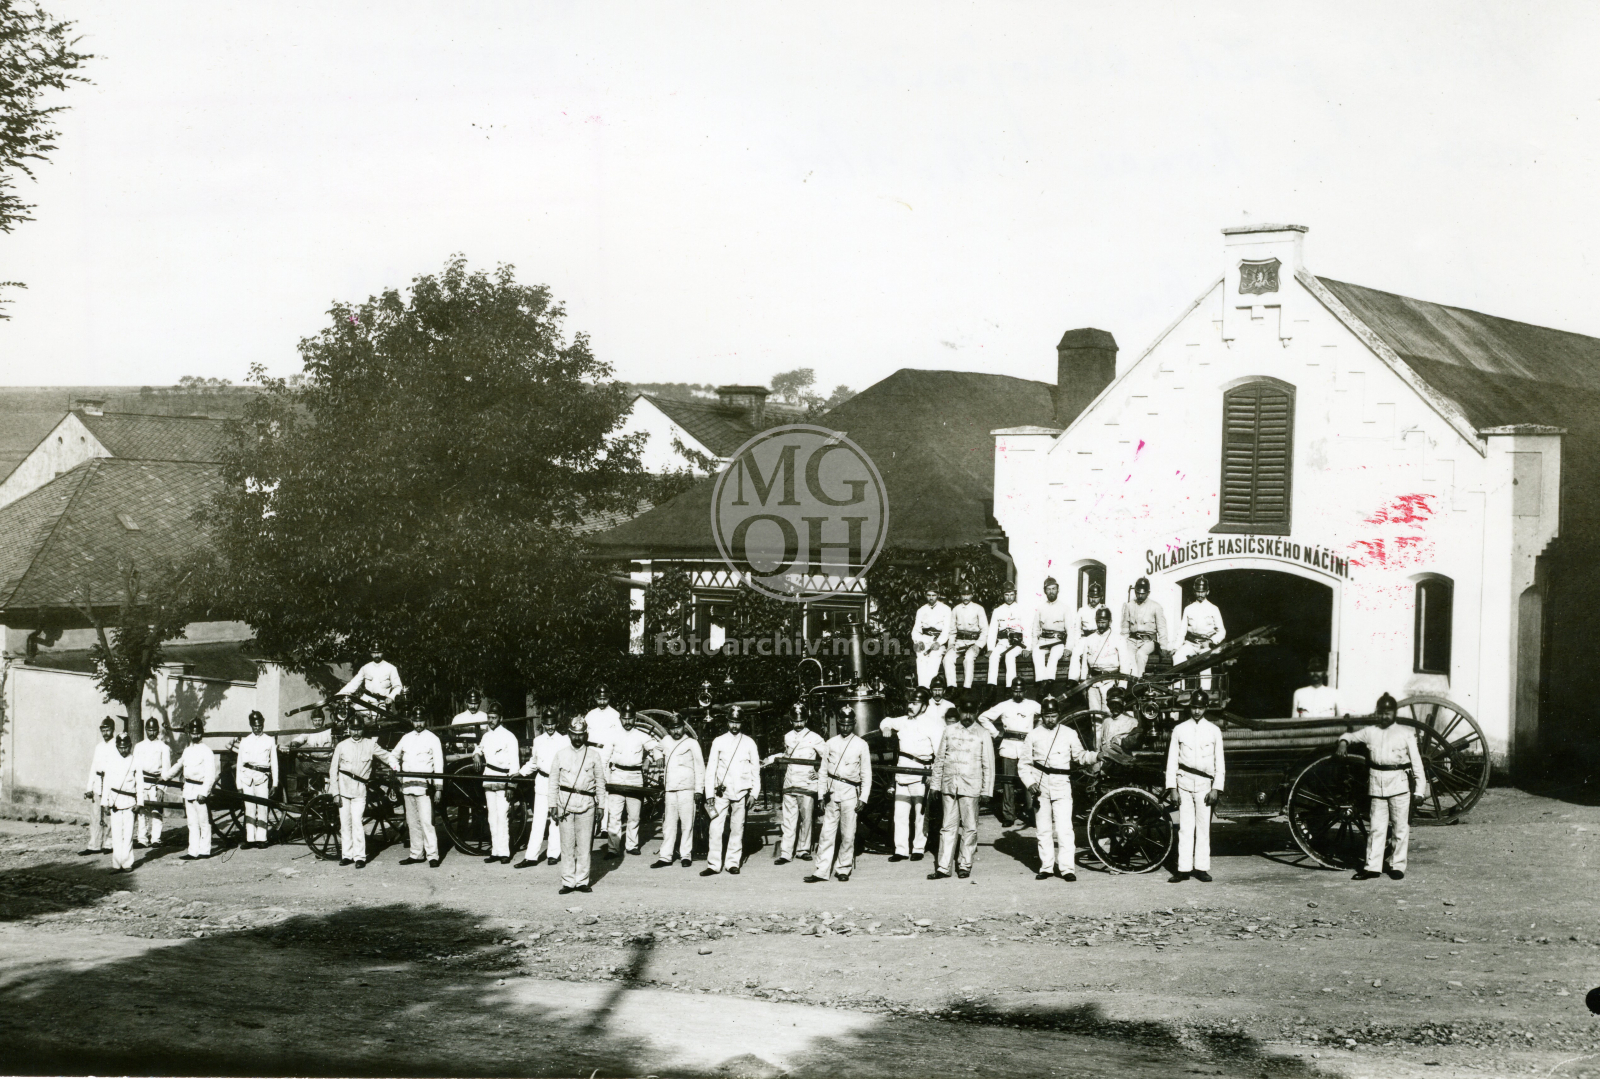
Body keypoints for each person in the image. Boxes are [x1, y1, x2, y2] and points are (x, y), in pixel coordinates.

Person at [1338, 694, 1429, 881]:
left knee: (1400, 828)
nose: (1384, 717)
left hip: (1399, 785)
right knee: (1376, 828)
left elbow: (1417, 763)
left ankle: (1397, 866)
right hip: (1377, 785)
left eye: (1387, 713)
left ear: (1394, 713)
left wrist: (1420, 790)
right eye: (1381, 713)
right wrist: (1343, 742)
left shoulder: (1405, 733)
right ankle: (1372, 867)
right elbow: (1350, 735)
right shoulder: (1370, 731)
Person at [1019, 703, 1096, 881]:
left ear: (1059, 715)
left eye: (1053, 715)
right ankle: (1046, 867)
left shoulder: (1069, 733)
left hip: (1061, 783)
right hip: (1040, 784)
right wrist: (1030, 783)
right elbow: (1023, 764)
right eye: (1047, 715)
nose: (1050, 719)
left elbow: (1080, 756)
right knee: (1043, 829)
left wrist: (1095, 756)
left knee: (1065, 829)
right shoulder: (1033, 735)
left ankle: (1067, 868)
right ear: (1042, 716)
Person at [1164, 690, 1224, 883]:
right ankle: (1183, 869)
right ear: (1190, 707)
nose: (1197, 711)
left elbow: (1220, 762)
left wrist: (1216, 787)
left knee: (1203, 827)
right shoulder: (1180, 729)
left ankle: (1202, 868)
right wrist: (1172, 787)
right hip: (1184, 783)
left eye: (1200, 707)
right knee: (1185, 828)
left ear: (1206, 708)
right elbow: (1172, 760)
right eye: (1194, 707)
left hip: (1205, 785)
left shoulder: (1214, 731)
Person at [928, 709, 994, 880]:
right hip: (950, 786)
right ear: (960, 710)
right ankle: (943, 867)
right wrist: (935, 785)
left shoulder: (983, 734)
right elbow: (940, 759)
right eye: (965, 711)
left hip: (971, 786)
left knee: (970, 827)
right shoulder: (949, 731)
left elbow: (988, 765)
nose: (967, 715)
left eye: (971, 712)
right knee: (947, 827)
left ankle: (965, 865)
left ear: (976, 711)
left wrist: (986, 790)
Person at [806, 712, 871, 883]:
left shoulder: (861, 744)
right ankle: (821, 871)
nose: (845, 727)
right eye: (842, 724)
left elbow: (866, 774)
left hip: (851, 792)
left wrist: (863, 798)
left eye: (848, 724)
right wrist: (821, 795)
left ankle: (843, 868)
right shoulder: (830, 743)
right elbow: (823, 771)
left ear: (854, 724)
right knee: (827, 833)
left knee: (848, 834)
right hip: (832, 793)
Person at [878, 689, 943, 862]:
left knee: (920, 815)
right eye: (909, 703)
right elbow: (886, 720)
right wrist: (885, 727)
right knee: (900, 814)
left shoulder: (933, 726)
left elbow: (939, 754)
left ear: (924, 706)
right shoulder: (903, 721)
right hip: (902, 773)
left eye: (914, 703)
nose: (910, 706)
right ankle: (901, 850)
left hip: (921, 773)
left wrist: (933, 775)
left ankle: (918, 848)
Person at [327, 712, 398, 868]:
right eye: (353, 729)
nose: (356, 733)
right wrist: (335, 793)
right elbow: (333, 770)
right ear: (348, 729)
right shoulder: (342, 745)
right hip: (343, 790)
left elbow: (387, 756)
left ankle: (360, 857)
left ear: (363, 729)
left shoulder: (370, 744)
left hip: (360, 791)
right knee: (345, 823)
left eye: (359, 729)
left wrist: (395, 766)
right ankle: (347, 855)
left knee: (357, 823)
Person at [549, 716, 607, 894]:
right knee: (566, 846)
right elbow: (553, 782)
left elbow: (600, 782)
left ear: (585, 735)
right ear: (569, 734)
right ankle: (568, 882)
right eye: (574, 734)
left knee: (584, 846)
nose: (577, 738)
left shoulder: (594, 755)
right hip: (565, 805)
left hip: (587, 805)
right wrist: (552, 805)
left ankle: (582, 881)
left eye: (581, 735)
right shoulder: (560, 755)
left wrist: (601, 806)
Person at [763, 703, 825, 865]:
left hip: (807, 784)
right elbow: (786, 755)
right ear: (791, 721)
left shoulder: (815, 737)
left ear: (806, 720)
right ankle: (786, 852)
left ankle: (803, 850)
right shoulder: (788, 736)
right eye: (795, 721)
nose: (798, 724)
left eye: (801, 721)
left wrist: (818, 773)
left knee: (807, 819)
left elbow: (827, 757)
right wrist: (769, 759)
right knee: (789, 820)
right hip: (790, 783)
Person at [702, 708, 760, 875]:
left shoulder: (749, 742)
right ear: (727, 722)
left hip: (741, 792)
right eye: (732, 722)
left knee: (737, 828)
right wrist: (709, 795)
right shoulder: (718, 741)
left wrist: (754, 794)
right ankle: (713, 864)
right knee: (715, 828)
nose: (735, 726)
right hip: (721, 792)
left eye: (738, 722)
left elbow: (755, 770)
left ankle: (732, 863)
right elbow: (711, 769)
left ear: (742, 723)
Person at [980, 679, 1042, 828]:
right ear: (1011, 691)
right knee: (1008, 782)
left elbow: (1045, 714)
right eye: (1015, 691)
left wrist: (1037, 730)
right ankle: (1009, 815)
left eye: (1020, 691)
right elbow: (983, 717)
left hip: (1027, 747)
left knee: (1029, 781)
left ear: (1025, 691)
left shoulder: (1033, 705)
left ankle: (1032, 815)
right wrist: (996, 733)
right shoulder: (1004, 705)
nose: (1018, 693)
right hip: (1008, 747)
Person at [606, 705, 662, 858]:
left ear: (635, 719)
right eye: (624, 718)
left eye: (630, 718)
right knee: (615, 815)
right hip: (617, 775)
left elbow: (656, 747)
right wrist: (604, 778)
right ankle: (613, 849)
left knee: (634, 815)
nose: (627, 721)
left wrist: (654, 758)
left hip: (635, 776)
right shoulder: (613, 735)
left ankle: (632, 845)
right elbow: (604, 757)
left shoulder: (641, 735)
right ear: (620, 719)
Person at [393, 705, 444, 867]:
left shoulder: (433, 739)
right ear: (411, 721)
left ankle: (432, 855)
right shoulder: (406, 738)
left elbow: (439, 765)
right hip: (407, 786)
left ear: (425, 720)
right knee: (412, 822)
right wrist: (398, 772)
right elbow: (393, 756)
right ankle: (416, 854)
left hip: (424, 788)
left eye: (421, 720)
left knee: (427, 822)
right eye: (416, 721)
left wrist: (438, 788)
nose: (419, 724)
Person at [652, 714, 704, 868]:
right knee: (669, 824)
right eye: (673, 728)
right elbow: (656, 748)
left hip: (687, 789)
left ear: (684, 727)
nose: (676, 731)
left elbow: (700, 767)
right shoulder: (666, 741)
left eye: (678, 727)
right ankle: (665, 856)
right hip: (670, 790)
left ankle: (685, 855)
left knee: (687, 824)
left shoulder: (692, 743)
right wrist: (657, 757)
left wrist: (699, 789)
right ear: (669, 729)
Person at [163, 719, 219, 859]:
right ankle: (192, 851)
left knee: (204, 822)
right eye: (193, 733)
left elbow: (210, 775)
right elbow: (178, 765)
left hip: (200, 789)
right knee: (192, 823)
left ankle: (205, 851)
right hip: (188, 789)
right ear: (189, 734)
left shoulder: (207, 751)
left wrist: (204, 793)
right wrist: (165, 777)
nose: (195, 736)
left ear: (201, 733)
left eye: (197, 733)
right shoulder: (187, 751)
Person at [517, 712, 567, 868]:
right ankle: (531, 856)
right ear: (543, 724)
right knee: (538, 821)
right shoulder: (538, 741)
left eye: (552, 723)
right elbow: (534, 762)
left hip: (557, 783)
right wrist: (519, 773)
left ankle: (553, 854)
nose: (550, 727)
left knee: (555, 820)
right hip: (542, 782)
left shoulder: (564, 740)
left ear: (556, 723)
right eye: (547, 724)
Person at [475, 700, 519, 865]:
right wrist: (477, 755)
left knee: (503, 816)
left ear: (501, 718)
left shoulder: (509, 737)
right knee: (492, 817)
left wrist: (511, 785)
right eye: (489, 717)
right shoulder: (486, 736)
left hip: (503, 779)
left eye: (494, 718)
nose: (491, 720)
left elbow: (515, 763)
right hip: (489, 779)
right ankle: (495, 851)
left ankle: (505, 852)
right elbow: (479, 748)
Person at [1070, 607, 1134, 713]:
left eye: (1103, 622)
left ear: (1110, 622)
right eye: (1098, 622)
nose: (1100, 625)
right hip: (1093, 683)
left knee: (1108, 714)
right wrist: (1084, 684)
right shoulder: (1089, 639)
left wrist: (1122, 687)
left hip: (1110, 683)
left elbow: (1125, 664)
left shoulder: (1118, 639)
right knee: (1094, 716)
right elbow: (1085, 664)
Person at [583, 685, 625, 837]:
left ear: (609, 698)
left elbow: (619, 738)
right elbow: (583, 735)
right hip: (591, 752)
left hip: (606, 753)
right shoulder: (590, 715)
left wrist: (612, 757)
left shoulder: (615, 715)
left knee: (605, 790)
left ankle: (604, 827)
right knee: (590, 788)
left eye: (604, 698)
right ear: (595, 698)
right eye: (599, 698)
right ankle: (591, 825)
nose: (602, 701)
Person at [235, 711, 279, 849]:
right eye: (255, 726)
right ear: (251, 726)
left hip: (262, 778)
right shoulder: (245, 741)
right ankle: (250, 839)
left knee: (262, 807)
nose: (258, 728)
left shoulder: (269, 740)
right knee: (249, 807)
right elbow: (239, 763)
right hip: (246, 777)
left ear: (263, 724)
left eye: (260, 725)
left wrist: (275, 783)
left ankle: (262, 838)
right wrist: (238, 784)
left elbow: (274, 764)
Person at [1171, 576, 1226, 688]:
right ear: (1194, 591)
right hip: (1191, 643)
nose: (1200, 594)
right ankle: (1177, 690)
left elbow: (1222, 631)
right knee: (1177, 657)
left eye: (1203, 592)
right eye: (1198, 591)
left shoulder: (1213, 609)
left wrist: (1211, 641)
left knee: (1205, 664)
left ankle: (1204, 693)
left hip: (1206, 644)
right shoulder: (1189, 609)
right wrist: (1176, 647)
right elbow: (1182, 630)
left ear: (1207, 591)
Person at [102, 734, 144, 873]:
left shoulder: (135, 761)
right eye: (120, 748)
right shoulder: (111, 761)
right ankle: (116, 864)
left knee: (128, 834)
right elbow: (106, 783)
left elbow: (140, 784)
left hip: (130, 802)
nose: (123, 750)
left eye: (126, 747)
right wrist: (105, 802)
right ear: (117, 747)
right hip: (115, 801)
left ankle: (127, 863)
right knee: (116, 834)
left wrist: (139, 802)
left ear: (130, 746)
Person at [81, 717, 119, 856]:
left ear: (113, 730)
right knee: (95, 815)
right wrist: (89, 787)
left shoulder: (117, 745)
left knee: (109, 815)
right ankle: (94, 844)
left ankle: (109, 843)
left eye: (107, 729)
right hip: (98, 783)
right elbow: (93, 767)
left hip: (111, 784)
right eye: (103, 730)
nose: (105, 733)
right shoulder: (99, 747)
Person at [986, 585, 1030, 704]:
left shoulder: (1021, 609)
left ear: (1015, 594)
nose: (1009, 597)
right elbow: (992, 631)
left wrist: (1027, 647)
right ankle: (991, 688)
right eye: (1006, 594)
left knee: (1009, 657)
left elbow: (1026, 629)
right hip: (1002, 642)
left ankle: (1009, 689)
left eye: (1011, 594)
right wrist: (990, 648)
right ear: (1003, 595)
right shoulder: (998, 610)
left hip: (1017, 643)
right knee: (994, 657)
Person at [132, 717, 171, 848]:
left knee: (156, 811)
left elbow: (166, 769)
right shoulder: (139, 746)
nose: (152, 733)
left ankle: (156, 838)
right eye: (149, 730)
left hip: (156, 782)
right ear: (145, 730)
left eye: (154, 730)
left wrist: (161, 788)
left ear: (158, 730)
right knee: (142, 811)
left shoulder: (163, 747)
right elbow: (135, 767)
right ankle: (142, 839)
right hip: (142, 782)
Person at [944, 584, 989, 697]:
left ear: (972, 594)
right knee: (947, 658)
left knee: (968, 659)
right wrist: (951, 644)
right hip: (959, 642)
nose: (965, 597)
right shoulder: (956, 609)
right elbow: (952, 630)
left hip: (973, 643)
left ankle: (967, 688)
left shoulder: (978, 609)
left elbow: (985, 630)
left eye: (968, 594)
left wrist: (978, 645)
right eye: (963, 594)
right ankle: (952, 687)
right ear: (960, 595)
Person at [1120, 577, 1169, 679]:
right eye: (1138, 593)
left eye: (1143, 593)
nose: (1140, 595)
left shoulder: (1156, 607)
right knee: (1127, 657)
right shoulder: (1129, 606)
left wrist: (1164, 646)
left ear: (1148, 592)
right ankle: (1130, 683)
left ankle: (1139, 682)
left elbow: (1162, 628)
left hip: (1148, 641)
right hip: (1132, 640)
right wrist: (1122, 644)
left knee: (1141, 655)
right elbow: (1125, 628)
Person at [1031, 577, 1072, 691]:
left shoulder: (1065, 608)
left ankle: (1048, 683)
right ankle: (1042, 682)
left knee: (1053, 657)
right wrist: (1033, 646)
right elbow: (1035, 629)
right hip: (1044, 640)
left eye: (1053, 589)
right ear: (1045, 591)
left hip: (1057, 641)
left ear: (1058, 590)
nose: (1051, 591)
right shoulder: (1040, 608)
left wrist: (1068, 647)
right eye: (1048, 589)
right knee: (1036, 653)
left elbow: (1070, 630)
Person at [339, 647, 405, 710]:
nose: (376, 655)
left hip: (382, 703)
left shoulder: (391, 668)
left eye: (379, 652)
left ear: (383, 652)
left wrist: (391, 697)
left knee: (380, 721)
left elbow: (398, 686)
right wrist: (339, 695)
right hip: (365, 701)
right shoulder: (365, 668)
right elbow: (353, 684)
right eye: (374, 652)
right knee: (352, 715)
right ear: (371, 653)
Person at [912, 587, 952, 688]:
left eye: (933, 595)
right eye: (929, 595)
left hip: (938, 641)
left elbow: (947, 630)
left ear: (938, 595)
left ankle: (929, 689)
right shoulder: (921, 610)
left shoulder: (946, 609)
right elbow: (916, 629)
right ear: (926, 595)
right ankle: (922, 688)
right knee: (920, 656)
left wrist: (939, 643)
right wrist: (918, 641)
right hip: (925, 639)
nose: (931, 598)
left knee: (934, 657)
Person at [1095, 687, 1140, 753]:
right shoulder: (1106, 722)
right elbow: (1102, 742)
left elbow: (1134, 743)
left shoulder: (1132, 722)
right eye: (1111, 704)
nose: (1114, 707)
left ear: (1124, 703)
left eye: (1117, 704)